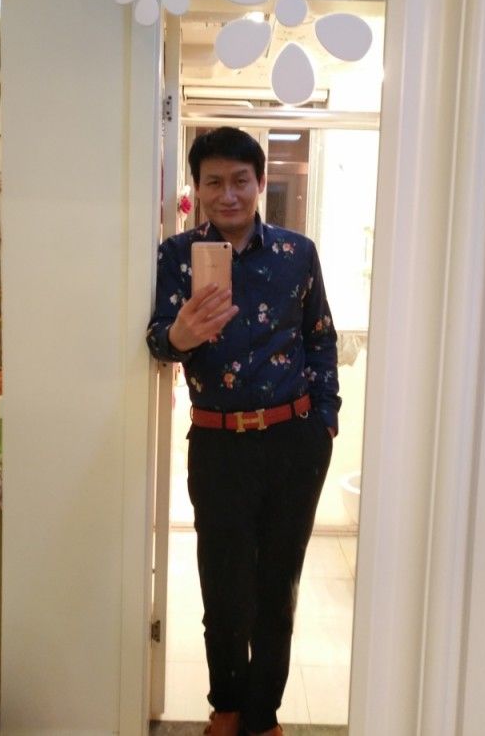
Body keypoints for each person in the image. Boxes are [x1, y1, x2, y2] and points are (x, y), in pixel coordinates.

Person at [146, 127, 341, 736]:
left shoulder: (297, 254)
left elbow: (320, 337)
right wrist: (178, 336)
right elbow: (155, 339)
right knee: (223, 587)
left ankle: (263, 718)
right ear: (198, 188)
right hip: (218, 444)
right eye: (214, 182)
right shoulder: (176, 256)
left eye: (240, 180)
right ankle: (226, 708)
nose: (227, 194)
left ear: (259, 183)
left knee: (277, 588)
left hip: (294, 441)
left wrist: (326, 421)